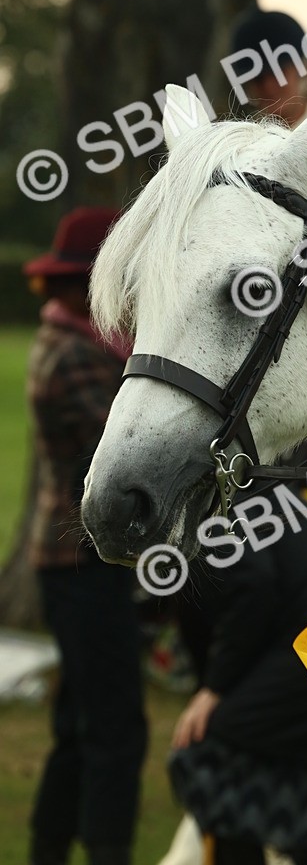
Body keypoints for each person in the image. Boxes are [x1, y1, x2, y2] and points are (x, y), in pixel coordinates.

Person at [165, 469, 307, 865]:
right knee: (288, 763)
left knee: (214, 750)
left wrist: (215, 689)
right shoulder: (230, 487)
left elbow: (252, 588)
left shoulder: (214, 500)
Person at [24, 207, 148, 865]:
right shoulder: (74, 355)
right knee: (115, 731)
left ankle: (47, 849)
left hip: (69, 564)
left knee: (78, 727)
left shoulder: (72, 342)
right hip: (81, 566)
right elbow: (122, 449)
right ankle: (107, 851)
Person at [229, 7, 307, 127]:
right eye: (258, 78)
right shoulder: (240, 143)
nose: (268, 87)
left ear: (305, 70)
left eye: (278, 73)